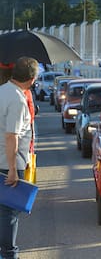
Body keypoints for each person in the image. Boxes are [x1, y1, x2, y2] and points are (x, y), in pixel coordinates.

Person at [0, 57, 38, 259]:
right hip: (8, 163)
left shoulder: (2, 91)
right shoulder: (17, 99)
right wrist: (13, 169)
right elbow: (11, 136)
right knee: (9, 213)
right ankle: (8, 254)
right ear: (32, 79)